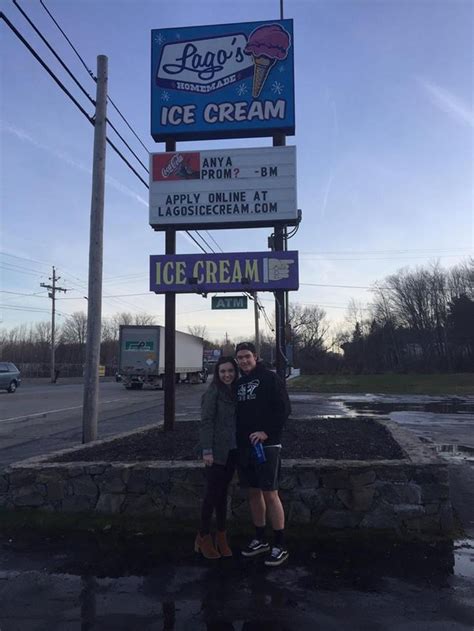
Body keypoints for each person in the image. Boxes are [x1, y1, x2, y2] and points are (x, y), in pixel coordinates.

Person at [235, 342, 291, 567]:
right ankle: (260, 539)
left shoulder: (270, 378)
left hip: (267, 446)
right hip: (245, 447)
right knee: (254, 493)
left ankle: (280, 543)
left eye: (247, 356)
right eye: (239, 358)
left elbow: (284, 409)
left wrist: (266, 432)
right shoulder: (239, 384)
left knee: (270, 493)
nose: (243, 361)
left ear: (255, 357)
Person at [195, 356, 239, 559]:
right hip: (215, 452)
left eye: (230, 371)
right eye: (223, 371)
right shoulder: (213, 393)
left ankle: (221, 536)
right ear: (217, 373)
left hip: (232, 451)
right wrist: (207, 451)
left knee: (222, 496)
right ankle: (203, 537)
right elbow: (206, 423)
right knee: (211, 497)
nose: (227, 375)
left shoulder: (236, 392)